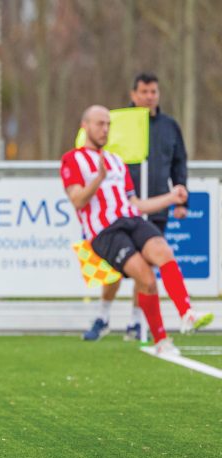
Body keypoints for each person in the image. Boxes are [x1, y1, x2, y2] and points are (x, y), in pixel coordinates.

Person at [61, 106, 212, 355]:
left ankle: (187, 313)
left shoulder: (116, 161)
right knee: (145, 278)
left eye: (108, 124)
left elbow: (136, 204)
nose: (105, 129)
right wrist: (98, 178)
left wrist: (171, 197)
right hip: (104, 231)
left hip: (130, 219)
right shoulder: (72, 159)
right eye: (100, 124)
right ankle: (161, 341)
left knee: (163, 251)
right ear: (85, 125)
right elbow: (77, 200)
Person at [83, 73, 190, 341]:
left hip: (153, 205)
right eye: (144, 92)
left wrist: (180, 198)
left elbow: (179, 161)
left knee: (147, 267)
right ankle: (103, 316)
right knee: (114, 268)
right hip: (118, 212)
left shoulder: (169, 126)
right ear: (133, 94)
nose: (149, 97)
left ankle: (137, 321)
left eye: (153, 92)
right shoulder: (119, 123)